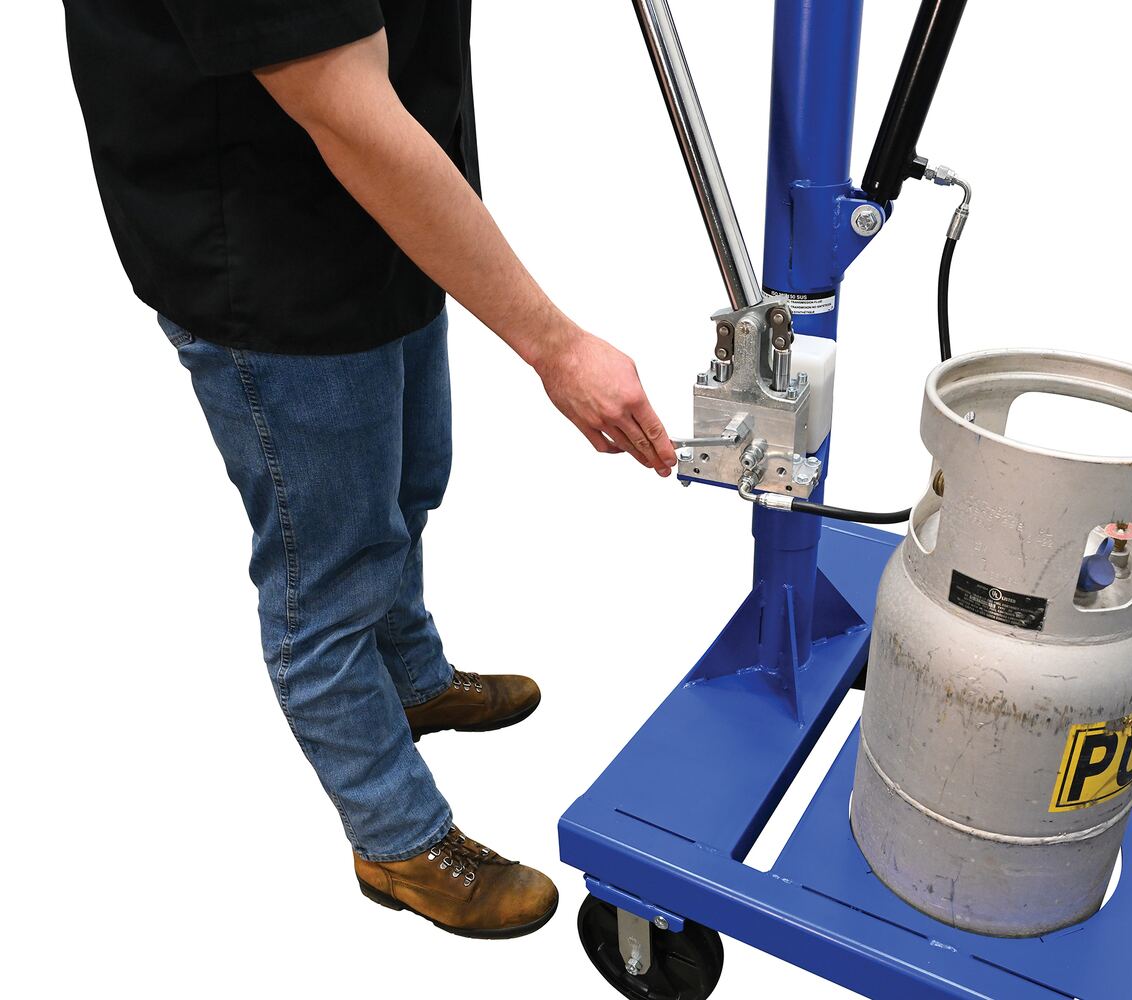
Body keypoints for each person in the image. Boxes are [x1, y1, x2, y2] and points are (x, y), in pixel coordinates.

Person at [63, 0, 679, 939]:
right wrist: (555, 347)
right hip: (273, 249)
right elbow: (340, 104)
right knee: (329, 575)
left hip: (389, 214)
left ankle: (410, 678)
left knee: (407, 484)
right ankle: (397, 839)